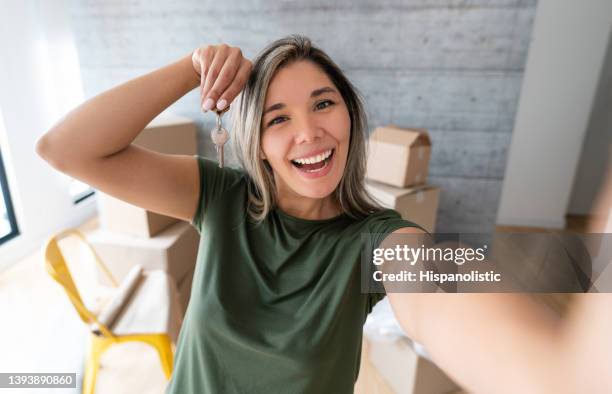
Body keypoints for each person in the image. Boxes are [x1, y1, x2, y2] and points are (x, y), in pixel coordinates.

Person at [35, 34, 596, 394]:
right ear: (257, 142)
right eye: (279, 118)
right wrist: (192, 66)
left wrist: (553, 367)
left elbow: (435, 287)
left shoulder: (376, 241)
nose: (310, 132)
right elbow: (64, 149)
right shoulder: (221, 196)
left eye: (324, 103)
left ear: (351, 118)